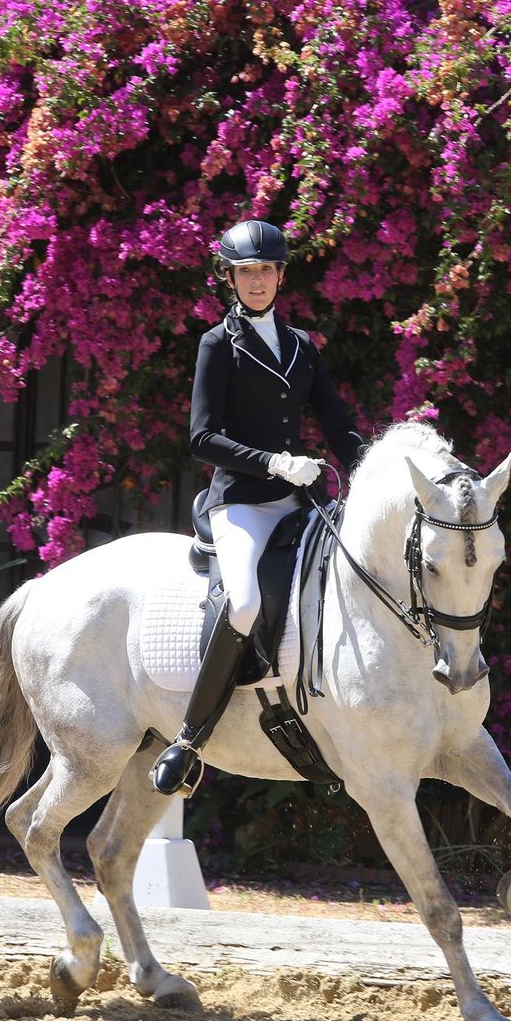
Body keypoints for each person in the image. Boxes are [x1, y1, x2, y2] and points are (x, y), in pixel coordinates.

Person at [150, 219, 366, 795]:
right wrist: (271, 462)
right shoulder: (217, 346)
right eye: (246, 272)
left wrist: (370, 468)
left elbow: (338, 425)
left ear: (280, 276)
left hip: (299, 500)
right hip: (242, 501)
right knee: (243, 603)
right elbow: (201, 438)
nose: (257, 281)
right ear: (231, 278)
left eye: (266, 270)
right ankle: (190, 740)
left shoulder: (301, 347)